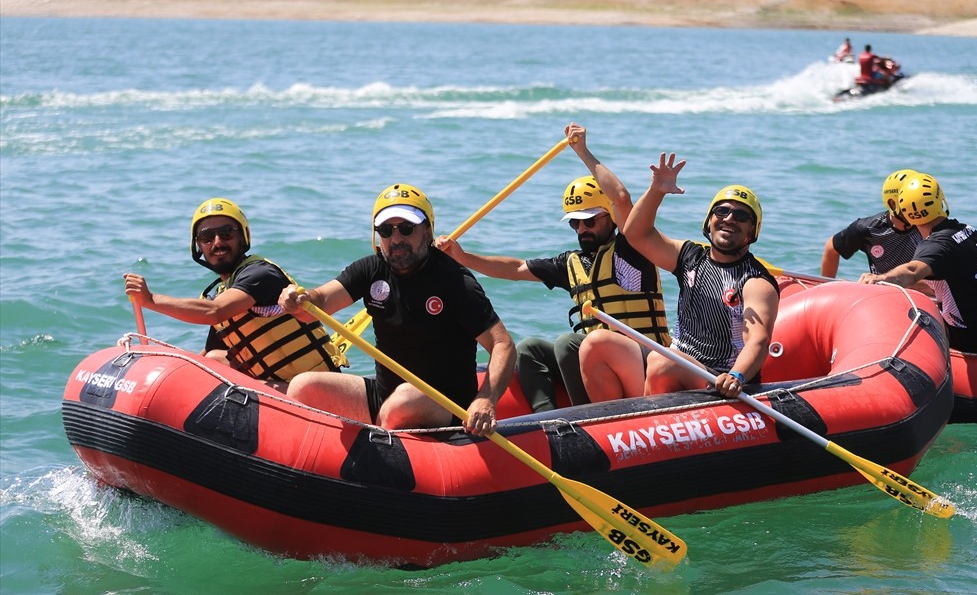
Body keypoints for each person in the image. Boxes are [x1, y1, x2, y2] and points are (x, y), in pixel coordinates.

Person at [435, 122, 670, 411]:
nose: (582, 228)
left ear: (609, 216)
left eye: (590, 220)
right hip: (596, 363)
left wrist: (583, 152)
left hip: (646, 359)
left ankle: (587, 418)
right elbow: (516, 268)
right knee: (530, 348)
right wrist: (462, 257)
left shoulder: (633, 247)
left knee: (569, 343)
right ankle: (548, 423)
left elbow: (621, 198)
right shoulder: (571, 263)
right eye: (575, 222)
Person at [278, 184, 515, 434]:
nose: (396, 239)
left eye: (406, 228)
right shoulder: (370, 270)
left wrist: (487, 398)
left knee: (401, 403)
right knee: (302, 386)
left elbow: (502, 344)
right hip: (385, 395)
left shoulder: (455, 281)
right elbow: (319, 302)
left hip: (445, 406)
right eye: (385, 231)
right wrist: (299, 297)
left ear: (427, 231)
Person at [581, 152, 779, 401]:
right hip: (674, 363)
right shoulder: (690, 257)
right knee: (596, 343)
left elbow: (758, 340)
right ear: (709, 221)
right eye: (722, 211)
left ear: (753, 231)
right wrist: (657, 191)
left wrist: (737, 376)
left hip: (717, 380)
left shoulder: (755, 282)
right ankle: (616, 429)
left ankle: (647, 420)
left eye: (741, 216)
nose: (729, 219)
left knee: (661, 360)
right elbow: (635, 234)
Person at [123, 198, 347, 388]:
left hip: (313, 387)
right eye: (207, 237)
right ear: (198, 246)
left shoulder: (261, 274)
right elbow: (207, 356)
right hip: (277, 385)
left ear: (243, 236)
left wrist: (151, 300)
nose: (217, 242)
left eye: (226, 233)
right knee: (213, 361)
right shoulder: (222, 292)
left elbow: (214, 312)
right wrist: (164, 372)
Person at [860, 173, 977, 352]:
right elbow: (942, 282)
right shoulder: (967, 231)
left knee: (892, 315)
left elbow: (912, 271)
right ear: (941, 200)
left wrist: (879, 278)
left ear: (906, 215)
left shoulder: (936, 245)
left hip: (967, 339)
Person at [821, 168, 923, 279]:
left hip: (927, 292)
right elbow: (831, 248)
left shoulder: (933, 228)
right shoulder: (868, 229)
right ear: (893, 203)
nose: (917, 207)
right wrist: (827, 284)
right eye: (910, 201)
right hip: (885, 291)